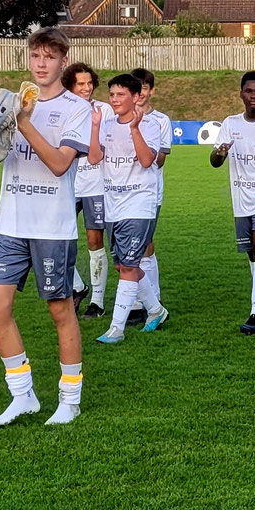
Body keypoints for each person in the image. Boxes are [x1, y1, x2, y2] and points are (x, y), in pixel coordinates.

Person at [0, 27, 90, 426]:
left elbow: (61, 164)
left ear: (63, 61)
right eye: (36, 56)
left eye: (50, 57)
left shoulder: (77, 108)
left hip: (52, 227)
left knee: (60, 310)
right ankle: (23, 395)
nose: (42, 64)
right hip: (10, 222)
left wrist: (23, 122)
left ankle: (69, 398)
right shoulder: (12, 101)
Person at [89, 74, 165, 343]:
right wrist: (96, 126)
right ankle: (156, 310)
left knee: (130, 265)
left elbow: (147, 161)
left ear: (135, 97)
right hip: (114, 206)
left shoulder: (150, 125)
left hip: (139, 205)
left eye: (121, 95)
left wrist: (134, 129)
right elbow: (94, 158)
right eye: (112, 95)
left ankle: (116, 328)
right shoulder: (107, 124)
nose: (115, 100)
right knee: (123, 265)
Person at [214, 71, 255, 334]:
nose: (254, 96)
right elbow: (215, 161)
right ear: (241, 93)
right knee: (253, 255)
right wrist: (219, 153)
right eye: (249, 91)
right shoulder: (230, 124)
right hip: (241, 200)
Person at [63, 62, 109, 317]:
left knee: (94, 241)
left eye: (89, 83)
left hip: (95, 186)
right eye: (81, 83)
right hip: (67, 185)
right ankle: (78, 286)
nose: (86, 88)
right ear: (71, 84)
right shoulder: (62, 110)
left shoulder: (104, 110)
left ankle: (98, 303)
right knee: (57, 238)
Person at [126, 67, 170, 322]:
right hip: (121, 192)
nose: (140, 93)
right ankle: (135, 301)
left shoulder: (161, 121)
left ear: (152, 90)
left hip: (149, 192)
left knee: (145, 246)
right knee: (126, 249)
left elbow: (159, 160)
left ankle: (151, 297)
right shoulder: (117, 116)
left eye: (144, 87)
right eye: (136, 87)